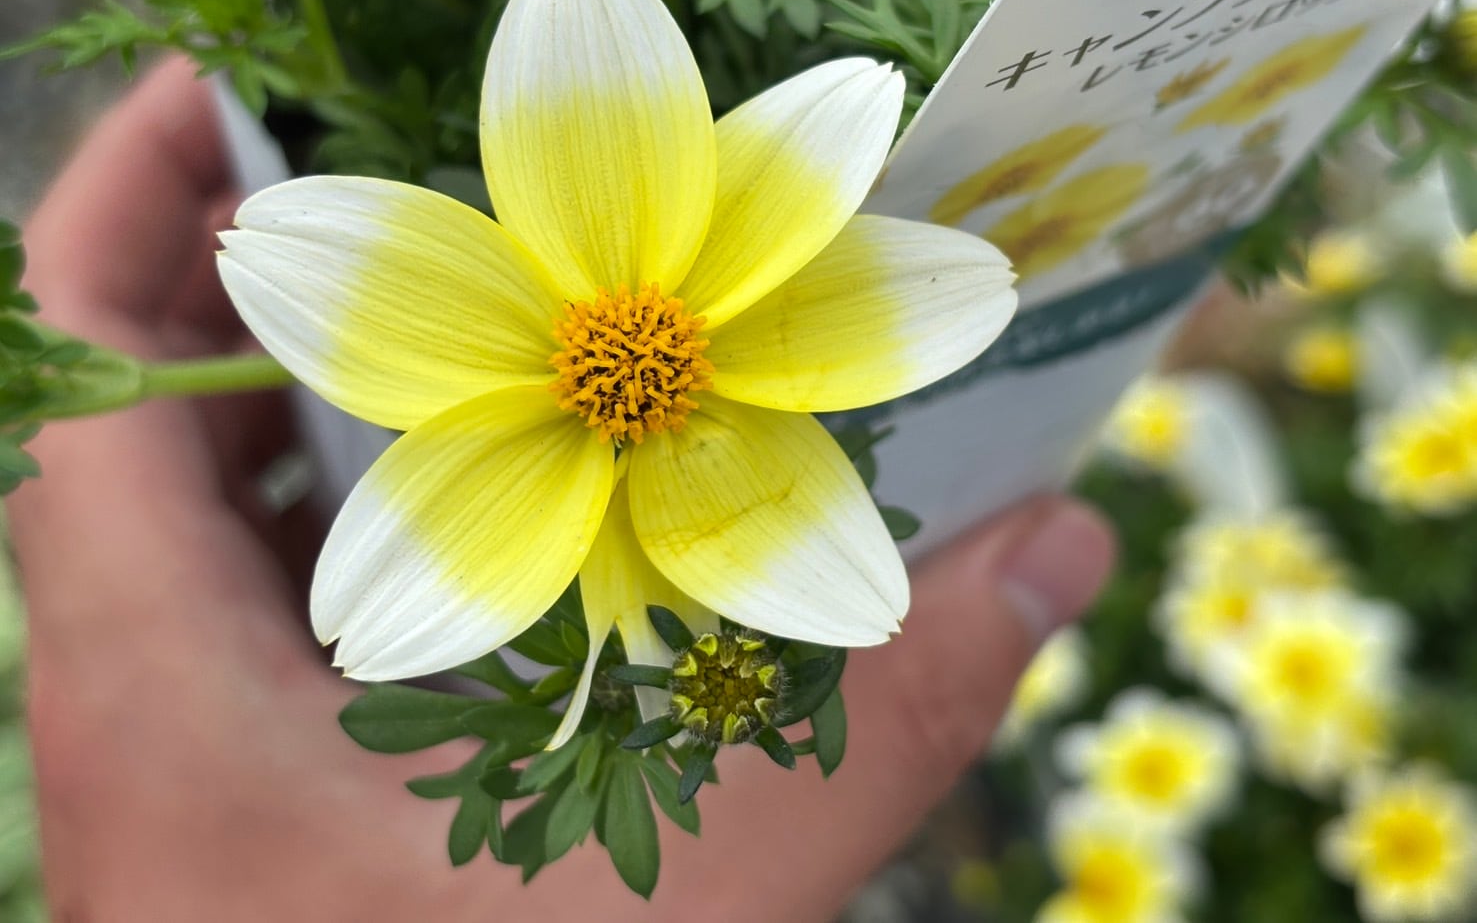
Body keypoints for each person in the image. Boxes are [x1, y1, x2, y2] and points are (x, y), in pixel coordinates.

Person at [9, 58, 1116, 921]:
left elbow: (931, 274)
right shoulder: (573, 415)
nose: (639, 362)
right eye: (629, 362)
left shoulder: (704, 377)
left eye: (645, 360)